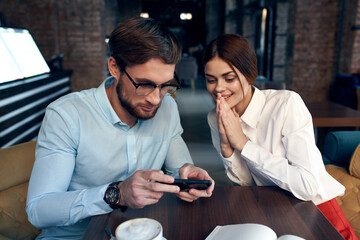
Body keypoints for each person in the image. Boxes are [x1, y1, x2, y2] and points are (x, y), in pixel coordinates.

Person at [26, 17, 214, 239]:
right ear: (114, 67)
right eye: (144, 84)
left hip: (144, 231)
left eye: (165, 86)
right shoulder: (67, 116)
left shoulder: (167, 107)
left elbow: (177, 171)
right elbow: (39, 210)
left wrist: (187, 176)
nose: (155, 99)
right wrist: (117, 194)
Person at [203, 34, 356, 240]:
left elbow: (308, 186)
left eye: (229, 78)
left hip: (316, 209)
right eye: (211, 80)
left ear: (249, 75)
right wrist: (227, 149)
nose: (218, 88)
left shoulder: (286, 104)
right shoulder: (216, 117)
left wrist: (243, 144)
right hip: (270, 208)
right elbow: (247, 184)